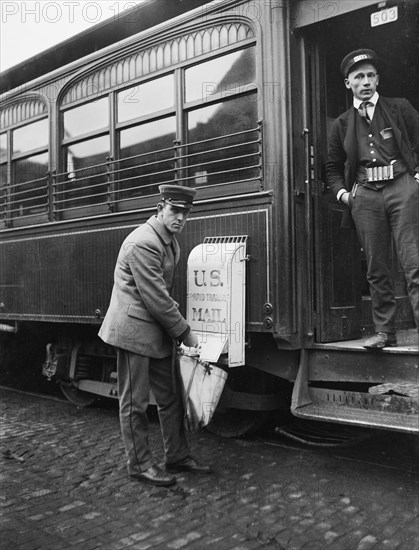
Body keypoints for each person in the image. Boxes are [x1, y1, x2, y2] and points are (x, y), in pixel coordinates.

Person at [99, 184, 212, 486]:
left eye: (185, 213)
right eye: (175, 211)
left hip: (155, 331)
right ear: (160, 207)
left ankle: (176, 456)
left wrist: (175, 330)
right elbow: (156, 297)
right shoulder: (144, 242)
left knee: (171, 397)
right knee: (134, 403)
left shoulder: (167, 240)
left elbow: (161, 296)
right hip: (133, 331)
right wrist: (185, 332)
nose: (180, 218)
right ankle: (139, 465)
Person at [326, 49, 419, 350]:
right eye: (358, 77)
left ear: (377, 79)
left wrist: (417, 181)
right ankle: (384, 332)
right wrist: (345, 194)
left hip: (401, 187)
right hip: (365, 196)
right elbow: (330, 167)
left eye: (369, 76)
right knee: (376, 267)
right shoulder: (340, 124)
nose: (365, 82)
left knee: (413, 261)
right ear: (348, 83)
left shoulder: (399, 108)